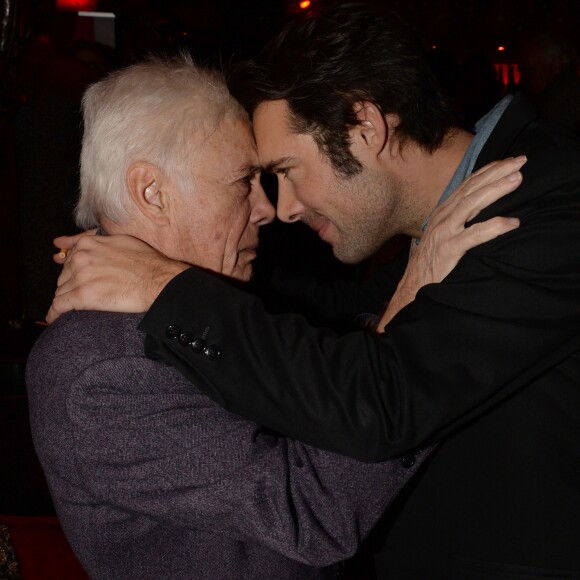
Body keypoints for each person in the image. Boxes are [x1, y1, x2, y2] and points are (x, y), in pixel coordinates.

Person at [46, 3, 580, 577]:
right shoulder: (104, 362)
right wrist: (157, 277)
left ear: (365, 127)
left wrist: (161, 281)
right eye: (248, 180)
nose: (280, 208)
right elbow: (337, 326)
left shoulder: (542, 208)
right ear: (151, 193)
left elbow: (379, 394)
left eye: (283, 171)